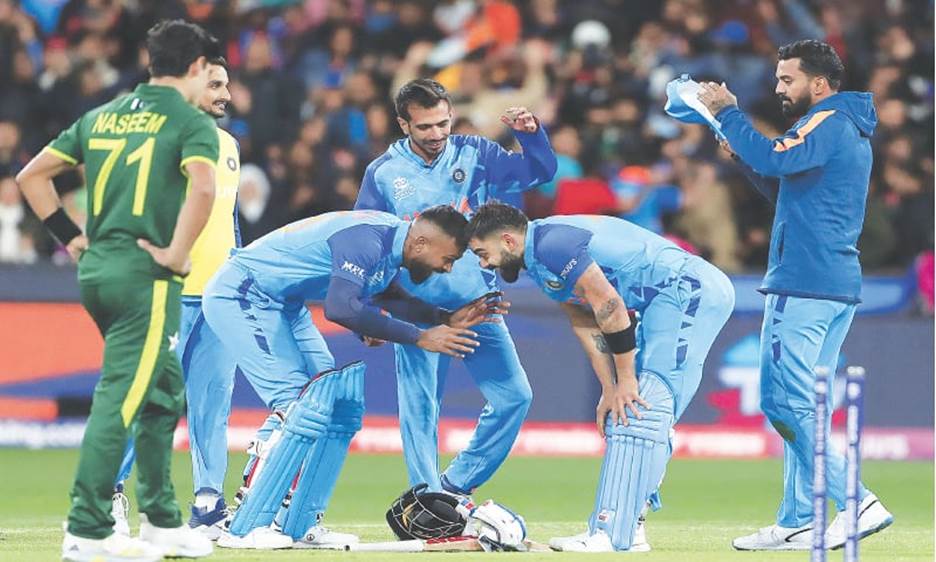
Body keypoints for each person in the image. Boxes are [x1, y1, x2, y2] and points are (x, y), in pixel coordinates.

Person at [15, 19, 222, 562]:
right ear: (198, 68)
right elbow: (203, 186)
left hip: (99, 269)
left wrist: (73, 240)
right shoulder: (189, 120)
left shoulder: (102, 115)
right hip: (146, 275)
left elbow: (31, 177)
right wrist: (178, 254)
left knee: (162, 391)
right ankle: (86, 529)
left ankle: (160, 519)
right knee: (122, 397)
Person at [202, 206, 506, 549]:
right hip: (244, 292)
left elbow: (388, 297)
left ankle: (298, 523)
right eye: (448, 258)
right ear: (421, 242)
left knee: (330, 402)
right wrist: (420, 336)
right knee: (298, 405)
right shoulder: (366, 239)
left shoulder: (391, 242)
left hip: (285, 304)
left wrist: (445, 317)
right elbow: (341, 308)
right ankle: (244, 524)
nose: (446, 268)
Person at [696, 39, 893, 550]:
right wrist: (744, 155)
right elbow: (787, 189)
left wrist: (731, 116)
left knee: (783, 402)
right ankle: (798, 519)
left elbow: (776, 157)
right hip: (831, 285)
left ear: (819, 84)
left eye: (788, 80)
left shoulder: (825, 121)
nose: (779, 88)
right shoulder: (842, 129)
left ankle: (857, 500)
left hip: (804, 282)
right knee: (805, 406)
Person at [465, 202, 735, 552]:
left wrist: (626, 382)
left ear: (507, 240)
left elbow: (610, 305)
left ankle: (610, 534)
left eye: (484, 253)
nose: (485, 264)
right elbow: (585, 320)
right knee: (626, 413)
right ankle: (631, 528)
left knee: (639, 410)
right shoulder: (538, 258)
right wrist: (610, 387)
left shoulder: (552, 244)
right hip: (663, 302)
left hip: (685, 291)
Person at [354, 78, 557, 497]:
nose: (437, 135)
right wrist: (369, 310)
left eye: (443, 123)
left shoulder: (475, 153)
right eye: (425, 127)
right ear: (403, 125)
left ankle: (454, 486)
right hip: (417, 311)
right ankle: (427, 500)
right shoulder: (383, 174)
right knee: (421, 412)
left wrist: (531, 135)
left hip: (476, 306)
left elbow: (539, 172)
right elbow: (365, 244)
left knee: (514, 397)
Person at [110, 56, 242, 540]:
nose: (225, 94)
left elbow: (227, 221)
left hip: (220, 299)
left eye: (227, 84)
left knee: (213, 402)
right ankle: (110, 493)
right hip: (168, 294)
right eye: (215, 85)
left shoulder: (229, 145)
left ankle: (208, 503)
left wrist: (241, 274)